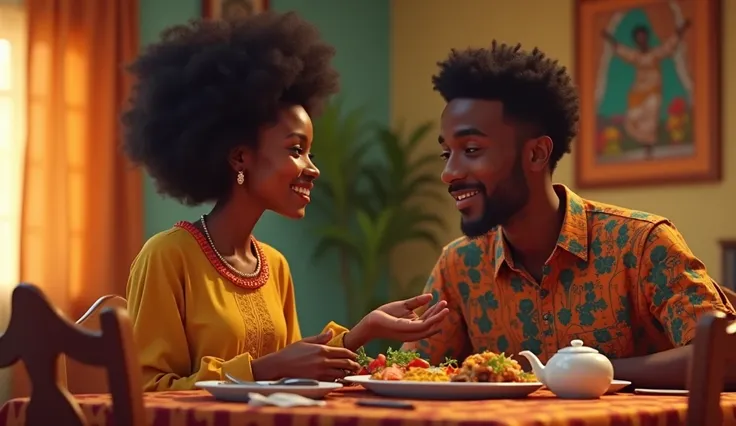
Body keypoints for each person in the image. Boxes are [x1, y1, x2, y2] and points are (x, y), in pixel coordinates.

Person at [121, 12, 449, 391]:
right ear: (240, 157)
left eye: (310, 152)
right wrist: (262, 370)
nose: (313, 169)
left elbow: (295, 374)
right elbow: (146, 393)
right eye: (296, 150)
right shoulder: (167, 256)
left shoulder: (273, 266)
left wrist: (363, 330)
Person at [403, 41, 735, 389]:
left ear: (536, 154)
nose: (449, 173)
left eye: (471, 150)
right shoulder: (459, 266)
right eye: (446, 154)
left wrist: (586, 372)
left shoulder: (641, 243)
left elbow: (725, 358)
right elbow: (409, 371)